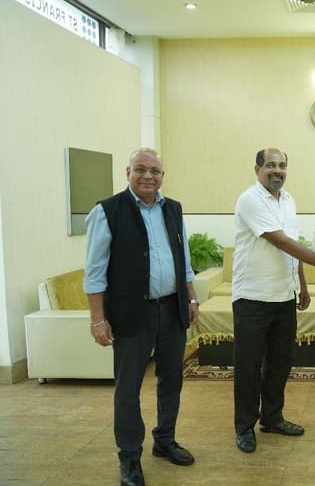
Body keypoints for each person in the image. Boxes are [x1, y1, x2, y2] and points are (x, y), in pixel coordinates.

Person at [84, 148, 199, 486]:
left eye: (155, 171)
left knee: (171, 380)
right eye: (140, 169)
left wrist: (191, 297)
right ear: (128, 172)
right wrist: (97, 319)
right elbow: (94, 273)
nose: (148, 176)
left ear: (163, 175)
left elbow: (183, 260)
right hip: (131, 314)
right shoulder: (107, 211)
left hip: (172, 310)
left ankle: (165, 440)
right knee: (128, 389)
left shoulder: (173, 209)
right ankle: (130, 457)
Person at [232, 147, 315, 453]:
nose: (277, 171)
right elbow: (281, 242)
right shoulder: (250, 199)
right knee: (249, 367)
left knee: (280, 362)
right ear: (257, 169)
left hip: (284, 296)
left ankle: (272, 417)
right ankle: (244, 426)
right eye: (270, 165)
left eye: (282, 166)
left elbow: (293, 244)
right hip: (253, 298)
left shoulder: (288, 200)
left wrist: (302, 284)